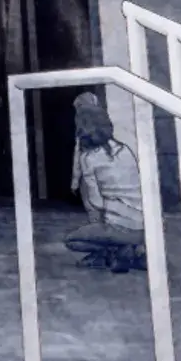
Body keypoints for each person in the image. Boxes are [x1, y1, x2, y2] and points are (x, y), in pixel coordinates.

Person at [65, 94, 146, 274]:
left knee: (73, 240)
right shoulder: (125, 149)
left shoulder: (88, 157)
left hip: (118, 226)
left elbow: (97, 203)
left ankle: (111, 252)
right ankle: (132, 251)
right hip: (144, 225)